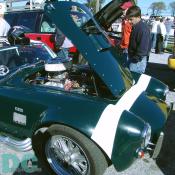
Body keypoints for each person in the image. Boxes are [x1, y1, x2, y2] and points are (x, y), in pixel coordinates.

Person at [126, 6, 151, 74]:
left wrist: (135, 59)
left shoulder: (143, 29)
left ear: (138, 17)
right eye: (128, 19)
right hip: (133, 57)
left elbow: (143, 48)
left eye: (131, 19)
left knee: (134, 80)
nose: (129, 21)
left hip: (138, 61)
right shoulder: (136, 27)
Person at [119, 2, 133, 67]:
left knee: (127, 66)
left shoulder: (132, 22)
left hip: (128, 47)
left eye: (124, 9)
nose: (123, 11)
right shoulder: (124, 20)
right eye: (123, 9)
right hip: (124, 46)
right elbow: (124, 34)